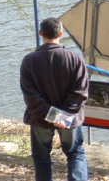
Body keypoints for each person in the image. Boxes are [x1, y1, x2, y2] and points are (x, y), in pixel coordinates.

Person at [20, 17, 89, 181]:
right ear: (61, 33)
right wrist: (62, 117)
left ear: (40, 33)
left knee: (41, 160)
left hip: (40, 119)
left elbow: (30, 96)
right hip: (69, 120)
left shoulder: (29, 61)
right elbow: (80, 92)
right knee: (75, 154)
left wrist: (52, 116)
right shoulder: (75, 58)